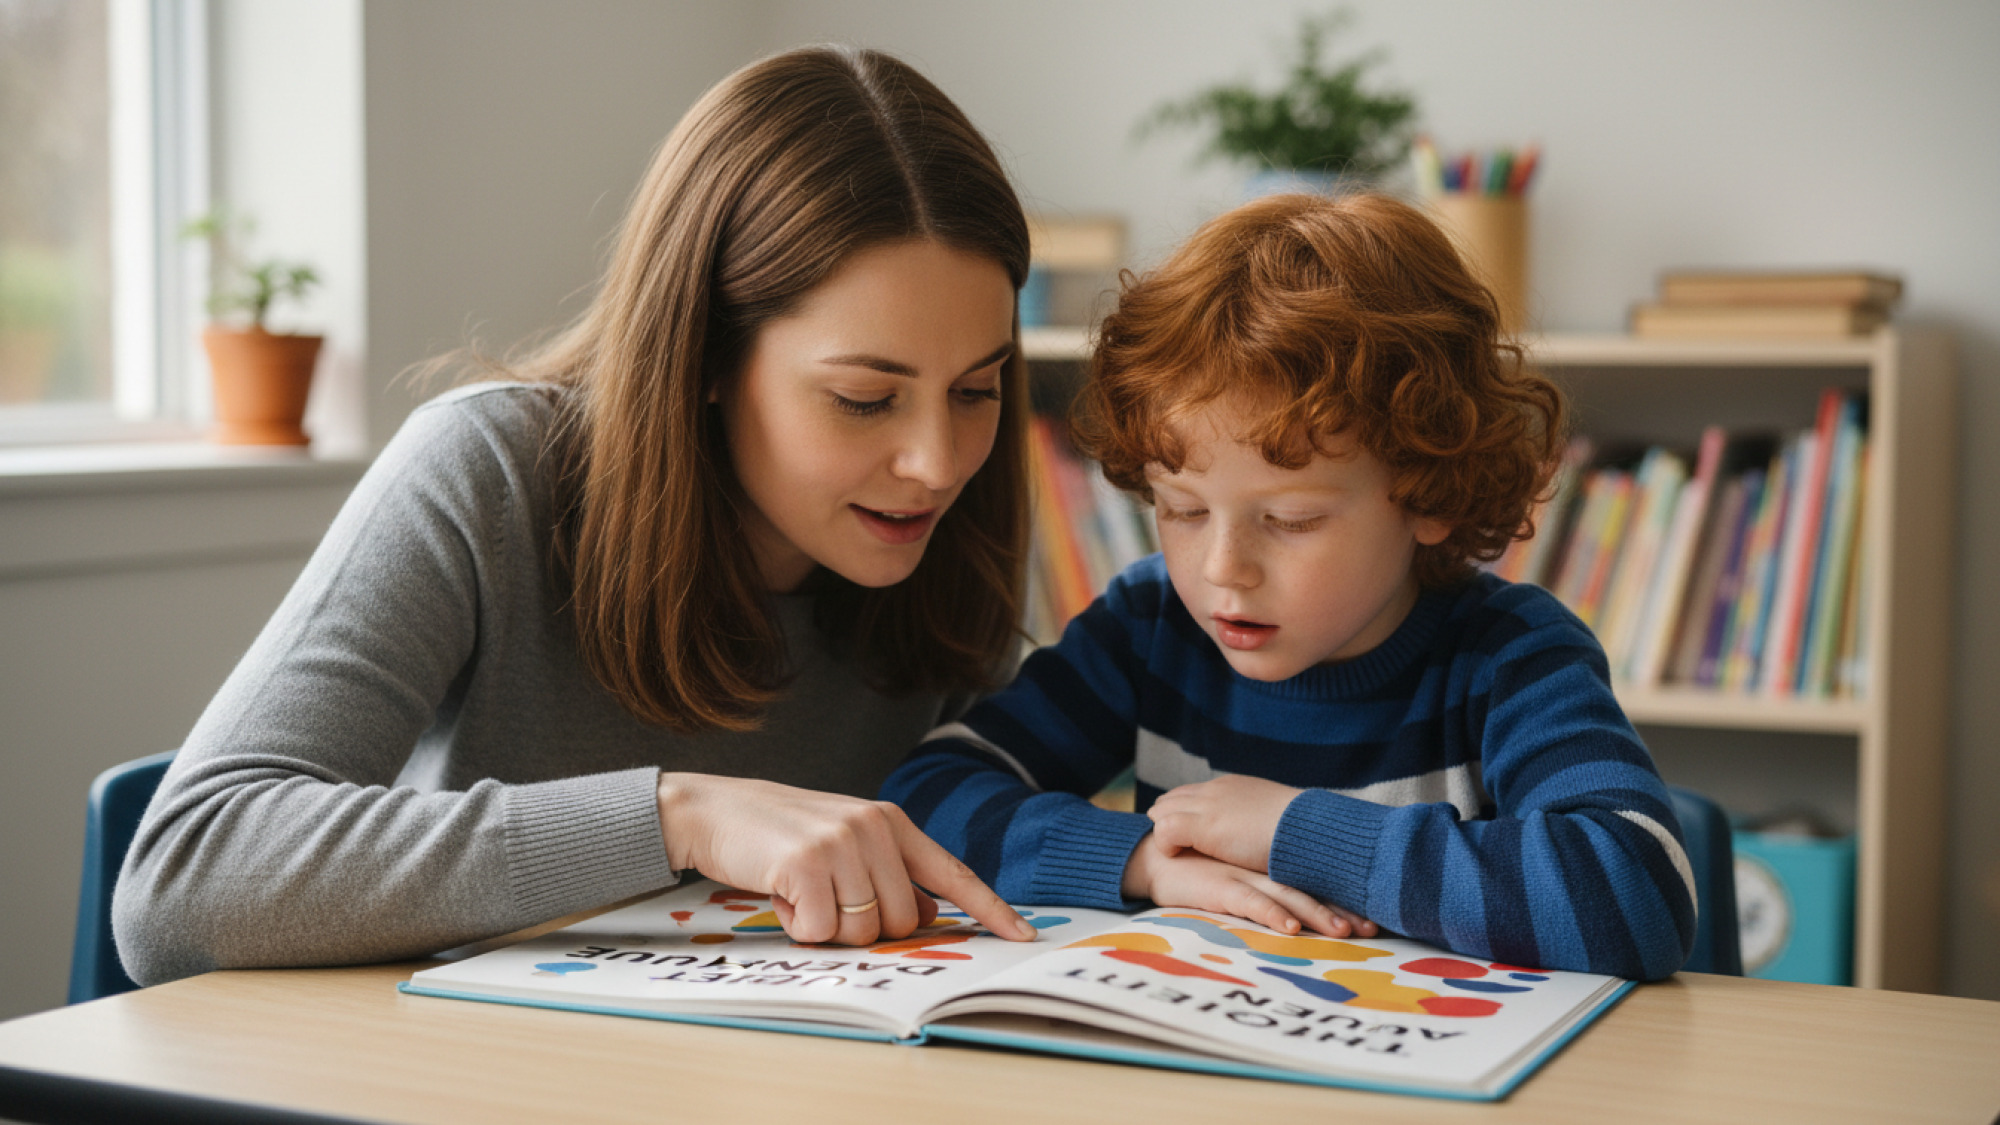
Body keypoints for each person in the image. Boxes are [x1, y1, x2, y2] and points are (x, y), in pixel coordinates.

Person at [113, 45, 1045, 987]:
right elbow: (181, 882)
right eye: (861, 398)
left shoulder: (943, 539)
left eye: (976, 389)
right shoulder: (489, 472)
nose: (937, 464)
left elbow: (1006, 810)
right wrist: (681, 817)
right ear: (707, 359)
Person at [881, 192, 1698, 981]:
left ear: (1430, 494)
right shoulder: (1151, 627)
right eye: (1183, 509)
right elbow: (923, 798)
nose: (1220, 568)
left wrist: (1292, 831)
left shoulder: (1510, 657)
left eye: (1293, 519)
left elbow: (1636, 894)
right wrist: (1137, 859)